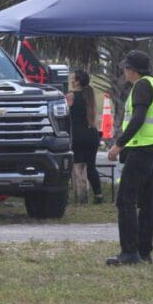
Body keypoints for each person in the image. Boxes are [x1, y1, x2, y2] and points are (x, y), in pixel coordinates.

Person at [105, 50, 153, 266]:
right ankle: (144, 251)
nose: (124, 71)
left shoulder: (141, 86)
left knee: (125, 200)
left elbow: (138, 119)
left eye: (126, 68)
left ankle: (129, 253)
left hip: (140, 151)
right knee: (148, 204)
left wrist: (118, 145)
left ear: (134, 70)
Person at [65, 69, 104, 205]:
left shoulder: (70, 96)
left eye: (73, 78)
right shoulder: (90, 95)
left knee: (78, 167)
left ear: (77, 82)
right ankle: (98, 195)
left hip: (78, 135)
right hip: (92, 134)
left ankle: (82, 197)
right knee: (91, 167)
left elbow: (64, 114)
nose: (71, 80)